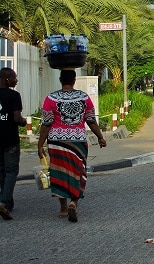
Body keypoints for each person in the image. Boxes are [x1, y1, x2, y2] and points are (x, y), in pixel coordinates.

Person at [37, 69, 107, 222]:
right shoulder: (84, 97)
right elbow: (91, 120)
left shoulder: (51, 98)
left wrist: (40, 144)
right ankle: (73, 202)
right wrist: (100, 137)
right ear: (74, 80)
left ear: (60, 80)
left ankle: (62, 208)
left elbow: (47, 123)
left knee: (59, 172)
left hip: (57, 142)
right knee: (78, 171)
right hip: (78, 142)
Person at [0, 68, 28, 220]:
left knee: (2, 171)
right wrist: (24, 122)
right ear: (6, 79)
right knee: (11, 172)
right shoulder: (14, 95)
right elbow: (17, 118)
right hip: (10, 140)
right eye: (14, 78)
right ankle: (4, 202)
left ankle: (7, 203)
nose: (16, 80)